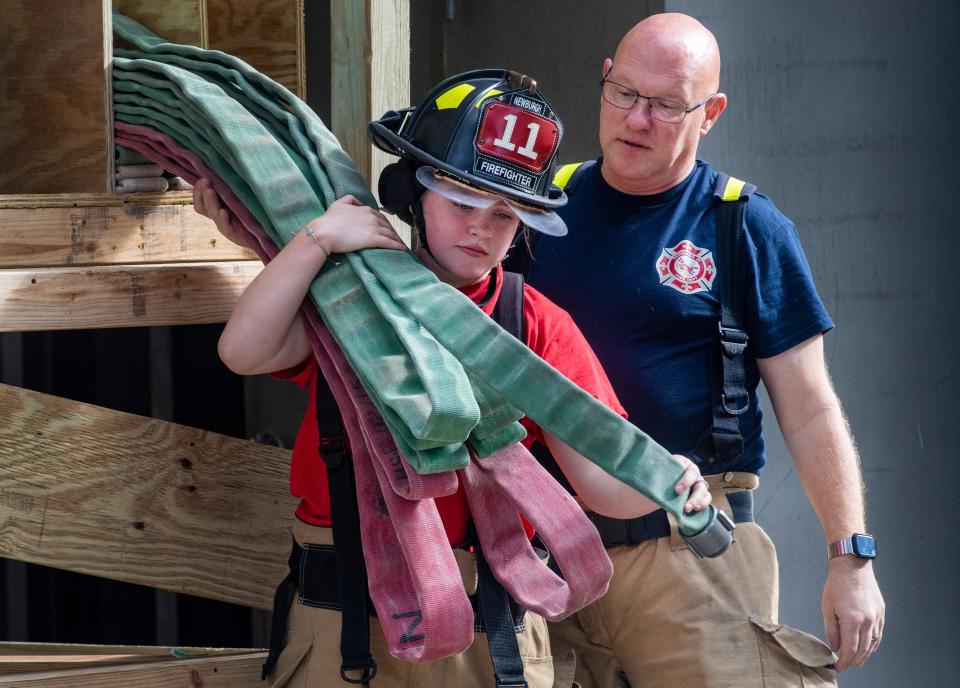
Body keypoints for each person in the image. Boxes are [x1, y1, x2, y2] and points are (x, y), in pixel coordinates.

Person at [194, 69, 711, 688]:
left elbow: (600, 484)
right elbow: (243, 352)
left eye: (504, 214)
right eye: (461, 202)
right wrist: (316, 242)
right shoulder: (349, 297)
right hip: (342, 625)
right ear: (413, 196)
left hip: (491, 635)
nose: (480, 228)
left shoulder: (535, 325)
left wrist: (670, 484)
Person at [521, 13, 885, 688]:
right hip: (547, 558)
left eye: (665, 105)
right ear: (604, 80)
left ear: (711, 112)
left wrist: (850, 558)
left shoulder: (743, 223)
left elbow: (809, 409)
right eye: (624, 93)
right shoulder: (536, 210)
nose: (637, 119)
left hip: (692, 551)